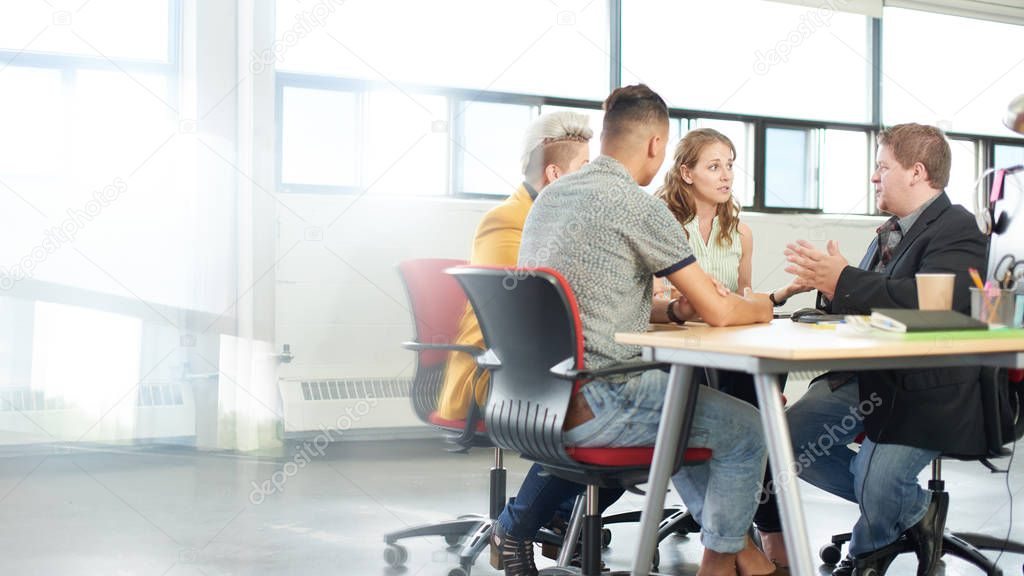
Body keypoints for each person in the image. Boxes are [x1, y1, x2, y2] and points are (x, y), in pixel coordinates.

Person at [502, 83, 779, 576]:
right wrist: (761, 307)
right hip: (601, 398)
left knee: (694, 410)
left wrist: (672, 313)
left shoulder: (550, 197)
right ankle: (721, 561)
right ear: (656, 145)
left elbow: (588, 297)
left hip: (534, 396)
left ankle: (743, 554)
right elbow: (719, 310)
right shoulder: (638, 205)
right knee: (748, 430)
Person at [783, 123, 989, 576]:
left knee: (877, 480)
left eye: (882, 167)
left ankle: (866, 555)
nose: (874, 177)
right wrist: (826, 287)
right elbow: (869, 302)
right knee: (786, 444)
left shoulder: (961, 229)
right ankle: (916, 512)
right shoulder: (888, 232)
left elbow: (924, 306)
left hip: (922, 385)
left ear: (916, 172)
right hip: (865, 375)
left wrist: (843, 280)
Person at [655, 128, 809, 568]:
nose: (726, 176)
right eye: (713, 166)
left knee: (765, 416)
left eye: (729, 165)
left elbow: (742, 300)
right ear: (685, 173)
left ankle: (766, 534)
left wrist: (774, 298)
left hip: (726, 347)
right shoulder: (664, 225)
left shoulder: (740, 233)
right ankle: (741, 541)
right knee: (750, 424)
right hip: (676, 349)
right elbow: (656, 300)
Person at [437, 111, 593, 422]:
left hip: (539, 366)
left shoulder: (564, 222)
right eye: (584, 169)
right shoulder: (506, 220)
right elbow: (528, 304)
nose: (591, 181)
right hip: (494, 373)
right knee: (624, 402)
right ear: (555, 174)